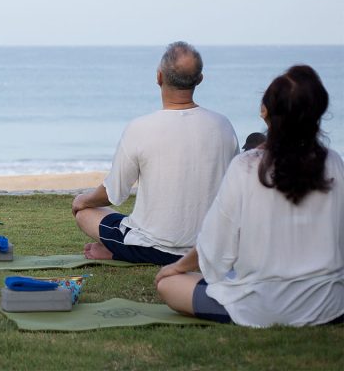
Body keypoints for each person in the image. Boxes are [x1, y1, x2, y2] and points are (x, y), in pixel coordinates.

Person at [155, 65, 343, 326]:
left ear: (264, 112)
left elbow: (215, 248)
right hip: (329, 305)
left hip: (262, 307)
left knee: (169, 284)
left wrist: (177, 268)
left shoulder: (246, 166)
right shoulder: (333, 163)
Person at [71, 42, 238, 265]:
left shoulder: (140, 128)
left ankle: (119, 250)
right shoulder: (223, 125)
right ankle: (117, 249)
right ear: (200, 79)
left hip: (151, 249)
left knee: (85, 214)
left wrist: (83, 201)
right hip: (207, 249)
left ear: (159, 77)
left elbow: (113, 194)